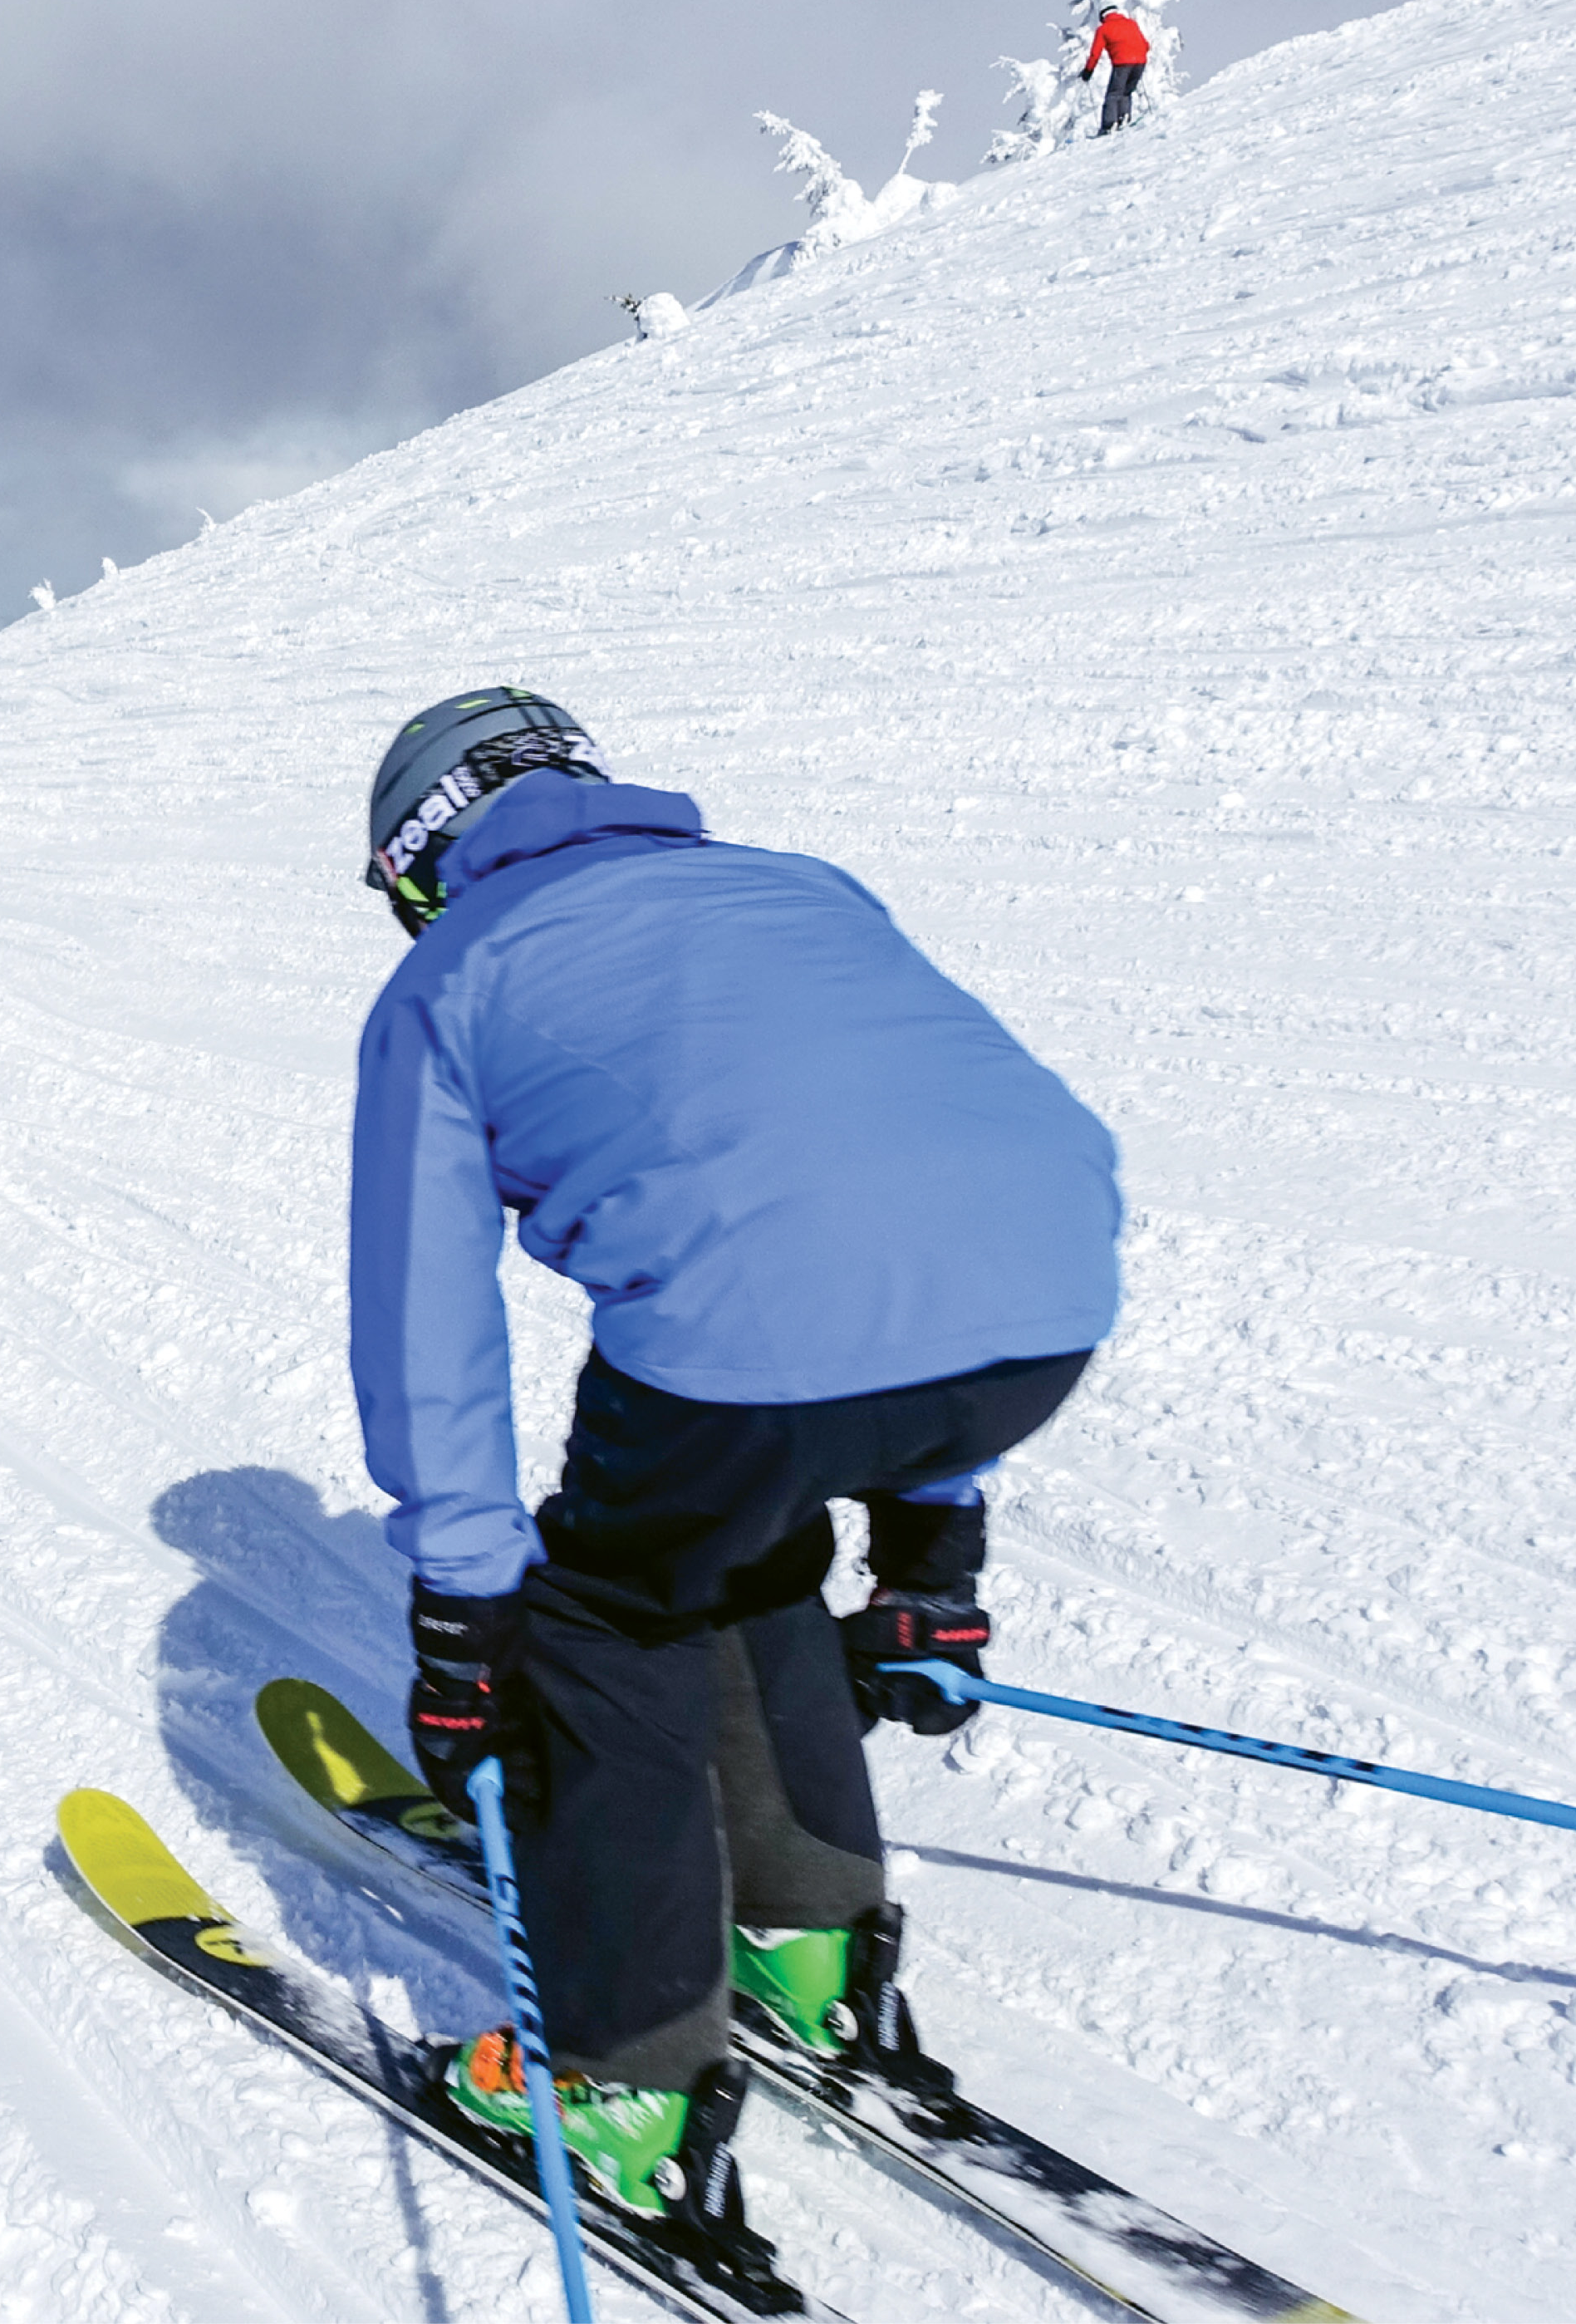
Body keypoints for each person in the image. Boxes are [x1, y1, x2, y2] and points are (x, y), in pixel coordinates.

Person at [347, 687, 1121, 2247]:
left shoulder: (452, 973)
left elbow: (426, 1324)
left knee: (603, 1621)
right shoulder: (797, 885)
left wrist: (467, 1615)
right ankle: (812, 1951)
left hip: (754, 1350)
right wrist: (926, 1561)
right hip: (1047, 1311)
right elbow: (900, 1178)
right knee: (742, 1546)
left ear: (426, 864)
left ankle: (614, 2087)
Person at [1080, 1, 1151, 135]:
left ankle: (1108, 125)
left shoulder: (1104, 29)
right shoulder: (1131, 23)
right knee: (1126, 91)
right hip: (1140, 62)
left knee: (1113, 94)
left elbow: (1095, 53)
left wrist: (1088, 71)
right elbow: (1146, 45)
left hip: (1122, 63)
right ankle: (1124, 117)